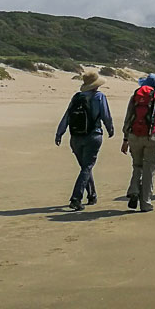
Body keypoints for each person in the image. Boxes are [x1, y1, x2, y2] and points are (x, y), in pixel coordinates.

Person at [55, 70, 115, 211]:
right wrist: (110, 129)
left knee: (85, 167)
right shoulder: (99, 97)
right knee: (87, 167)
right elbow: (106, 116)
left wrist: (59, 133)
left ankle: (92, 195)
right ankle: (76, 198)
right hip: (93, 136)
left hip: (75, 137)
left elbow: (67, 116)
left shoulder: (76, 98)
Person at [120, 72, 155, 212]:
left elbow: (128, 119)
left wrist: (125, 139)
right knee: (149, 170)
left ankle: (134, 189)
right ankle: (146, 203)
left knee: (137, 165)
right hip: (153, 138)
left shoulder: (135, 97)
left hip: (134, 137)